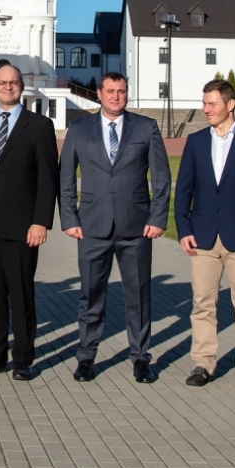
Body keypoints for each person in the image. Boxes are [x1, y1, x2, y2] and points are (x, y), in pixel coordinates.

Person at [58, 72, 169, 384]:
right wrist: (69, 219)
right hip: (91, 227)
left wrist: (157, 218)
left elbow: (161, 178)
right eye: (110, 91)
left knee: (138, 294)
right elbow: (65, 177)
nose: (116, 96)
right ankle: (86, 356)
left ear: (127, 94)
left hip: (136, 227)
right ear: (98, 93)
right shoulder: (80, 129)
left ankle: (140, 358)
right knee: (91, 294)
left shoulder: (146, 128)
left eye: (121, 91)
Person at [174, 78, 235, 390]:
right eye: (204, 103)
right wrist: (183, 228)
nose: (206, 109)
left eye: (212, 103)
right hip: (203, 237)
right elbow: (184, 190)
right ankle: (203, 364)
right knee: (203, 304)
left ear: (230, 105)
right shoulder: (196, 142)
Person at [0, 63, 58, 380]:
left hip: (22, 227)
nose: (8, 87)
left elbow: (48, 178)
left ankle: (23, 359)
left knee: (20, 294)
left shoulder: (39, 126)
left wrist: (41, 221)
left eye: (14, 82)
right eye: (2, 83)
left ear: (22, 86)